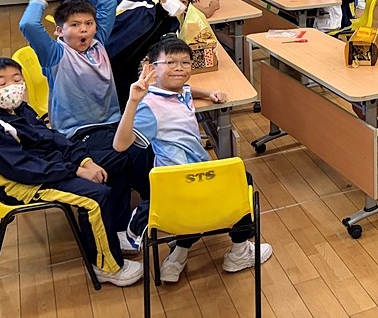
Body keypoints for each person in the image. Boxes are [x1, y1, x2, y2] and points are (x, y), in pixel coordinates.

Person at [0, 57, 143, 286]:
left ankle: (115, 232)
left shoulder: (19, 109)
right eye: (2, 83)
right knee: (96, 197)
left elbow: (53, 138)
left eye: (17, 79)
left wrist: (85, 161)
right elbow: (24, 169)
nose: (12, 87)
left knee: (117, 160)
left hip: (50, 165)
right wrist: (75, 171)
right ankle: (106, 267)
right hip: (25, 184)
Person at [115, 39, 273, 283]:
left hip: (175, 191)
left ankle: (178, 255)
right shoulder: (149, 106)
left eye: (185, 63)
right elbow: (120, 145)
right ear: (151, 68)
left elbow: (187, 89)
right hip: (186, 187)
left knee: (200, 202)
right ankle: (240, 251)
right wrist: (133, 101)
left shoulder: (179, 91)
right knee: (242, 181)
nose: (179, 68)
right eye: (170, 63)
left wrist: (208, 93)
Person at [19, 0, 149, 247]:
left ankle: (142, 215)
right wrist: (39, 1)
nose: (84, 30)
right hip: (78, 133)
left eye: (89, 24)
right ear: (59, 31)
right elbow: (28, 24)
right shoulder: (55, 54)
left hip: (112, 124)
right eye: (75, 25)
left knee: (145, 151)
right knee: (122, 158)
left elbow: (108, 2)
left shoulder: (99, 42)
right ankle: (121, 227)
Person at [106, 0, 195, 108]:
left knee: (124, 108)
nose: (178, 3)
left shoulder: (173, 26)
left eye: (184, 2)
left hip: (131, 74)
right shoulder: (140, 5)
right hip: (106, 61)